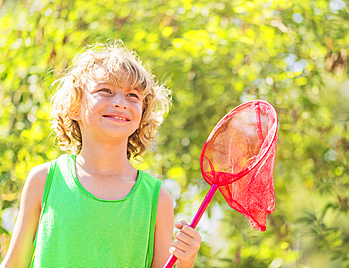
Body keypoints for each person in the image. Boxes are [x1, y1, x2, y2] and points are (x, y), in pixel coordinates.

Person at [1, 40, 201, 268]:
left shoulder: (157, 199)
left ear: (142, 115)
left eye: (133, 96)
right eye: (105, 90)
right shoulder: (44, 180)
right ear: (75, 107)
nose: (120, 103)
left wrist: (185, 263)